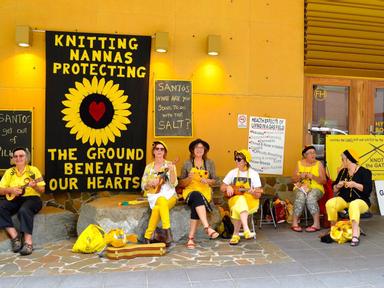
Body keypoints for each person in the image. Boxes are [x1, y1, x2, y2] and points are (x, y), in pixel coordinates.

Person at [0, 147, 46, 256]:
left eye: (21, 156)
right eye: (15, 156)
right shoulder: (9, 172)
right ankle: (15, 237)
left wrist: (35, 187)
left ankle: (28, 242)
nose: (18, 158)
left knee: (24, 210)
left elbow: (42, 190)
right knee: (1, 208)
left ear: (26, 158)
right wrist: (10, 190)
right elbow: (1, 189)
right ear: (13, 159)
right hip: (15, 198)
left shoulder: (33, 170)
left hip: (32, 198)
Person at [325, 149, 372, 246]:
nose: (342, 162)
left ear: (349, 160)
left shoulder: (365, 172)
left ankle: (355, 235)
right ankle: (333, 229)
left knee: (354, 204)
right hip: (344, 199)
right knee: (330, 203)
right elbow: (334, 190)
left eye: (343, 160)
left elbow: (368, 190)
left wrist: (354, 184)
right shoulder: (343, 172)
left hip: (361, 201)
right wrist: (338, 185)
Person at [179, 139, 219, 249]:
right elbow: (181, 183)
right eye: (197, 148)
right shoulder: (187, 163)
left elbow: (215, 180)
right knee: (196, 195)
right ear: (192, 150)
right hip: (190, 192)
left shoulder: (209, 163)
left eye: (201, 148)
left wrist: (208, 181)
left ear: (205, 150)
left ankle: (191, 239)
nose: (199, 150)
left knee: (196, 205)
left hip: (205, 192)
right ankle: (207, 227)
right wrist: (189, 178)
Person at [221, 149, 262, 245]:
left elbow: (258, 195)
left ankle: (235, 234)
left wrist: (253, 192)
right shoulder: (232, 172)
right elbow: (222, 187)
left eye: (239, 159)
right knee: (240, 199)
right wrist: (228, 186)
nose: (236, 161)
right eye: (235, 159)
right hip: (234, 199)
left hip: (251, 202)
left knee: (238, 205)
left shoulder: (254, 174)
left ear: (246, 161)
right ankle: (246, 229)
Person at [141, 140, 178, 245]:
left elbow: (174, 183)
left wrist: (171, 171)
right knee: (159, 203)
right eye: (157, 149)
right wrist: (150, 183)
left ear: (165, 152)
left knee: (159, 206)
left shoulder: (170, 164)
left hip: (170, 195)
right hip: (154, 195)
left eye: (162, 149)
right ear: (153, 151)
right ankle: (167, 233)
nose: (159, 151)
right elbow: (143, 185)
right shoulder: (148, 167)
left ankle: (148, 236)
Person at [291, 145, 326, 232]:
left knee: (311, 197)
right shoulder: (299, 163)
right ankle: (294, 223)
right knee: (300, 196)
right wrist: (300, 176)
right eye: (310, 153)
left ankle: (316, 224)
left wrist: (313, 177)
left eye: (314, 152)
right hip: (300, 187)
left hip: (316, 188)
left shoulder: (319, 164)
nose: (313, 155)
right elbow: (293, 179)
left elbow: (324, 181)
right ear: (305, 155)